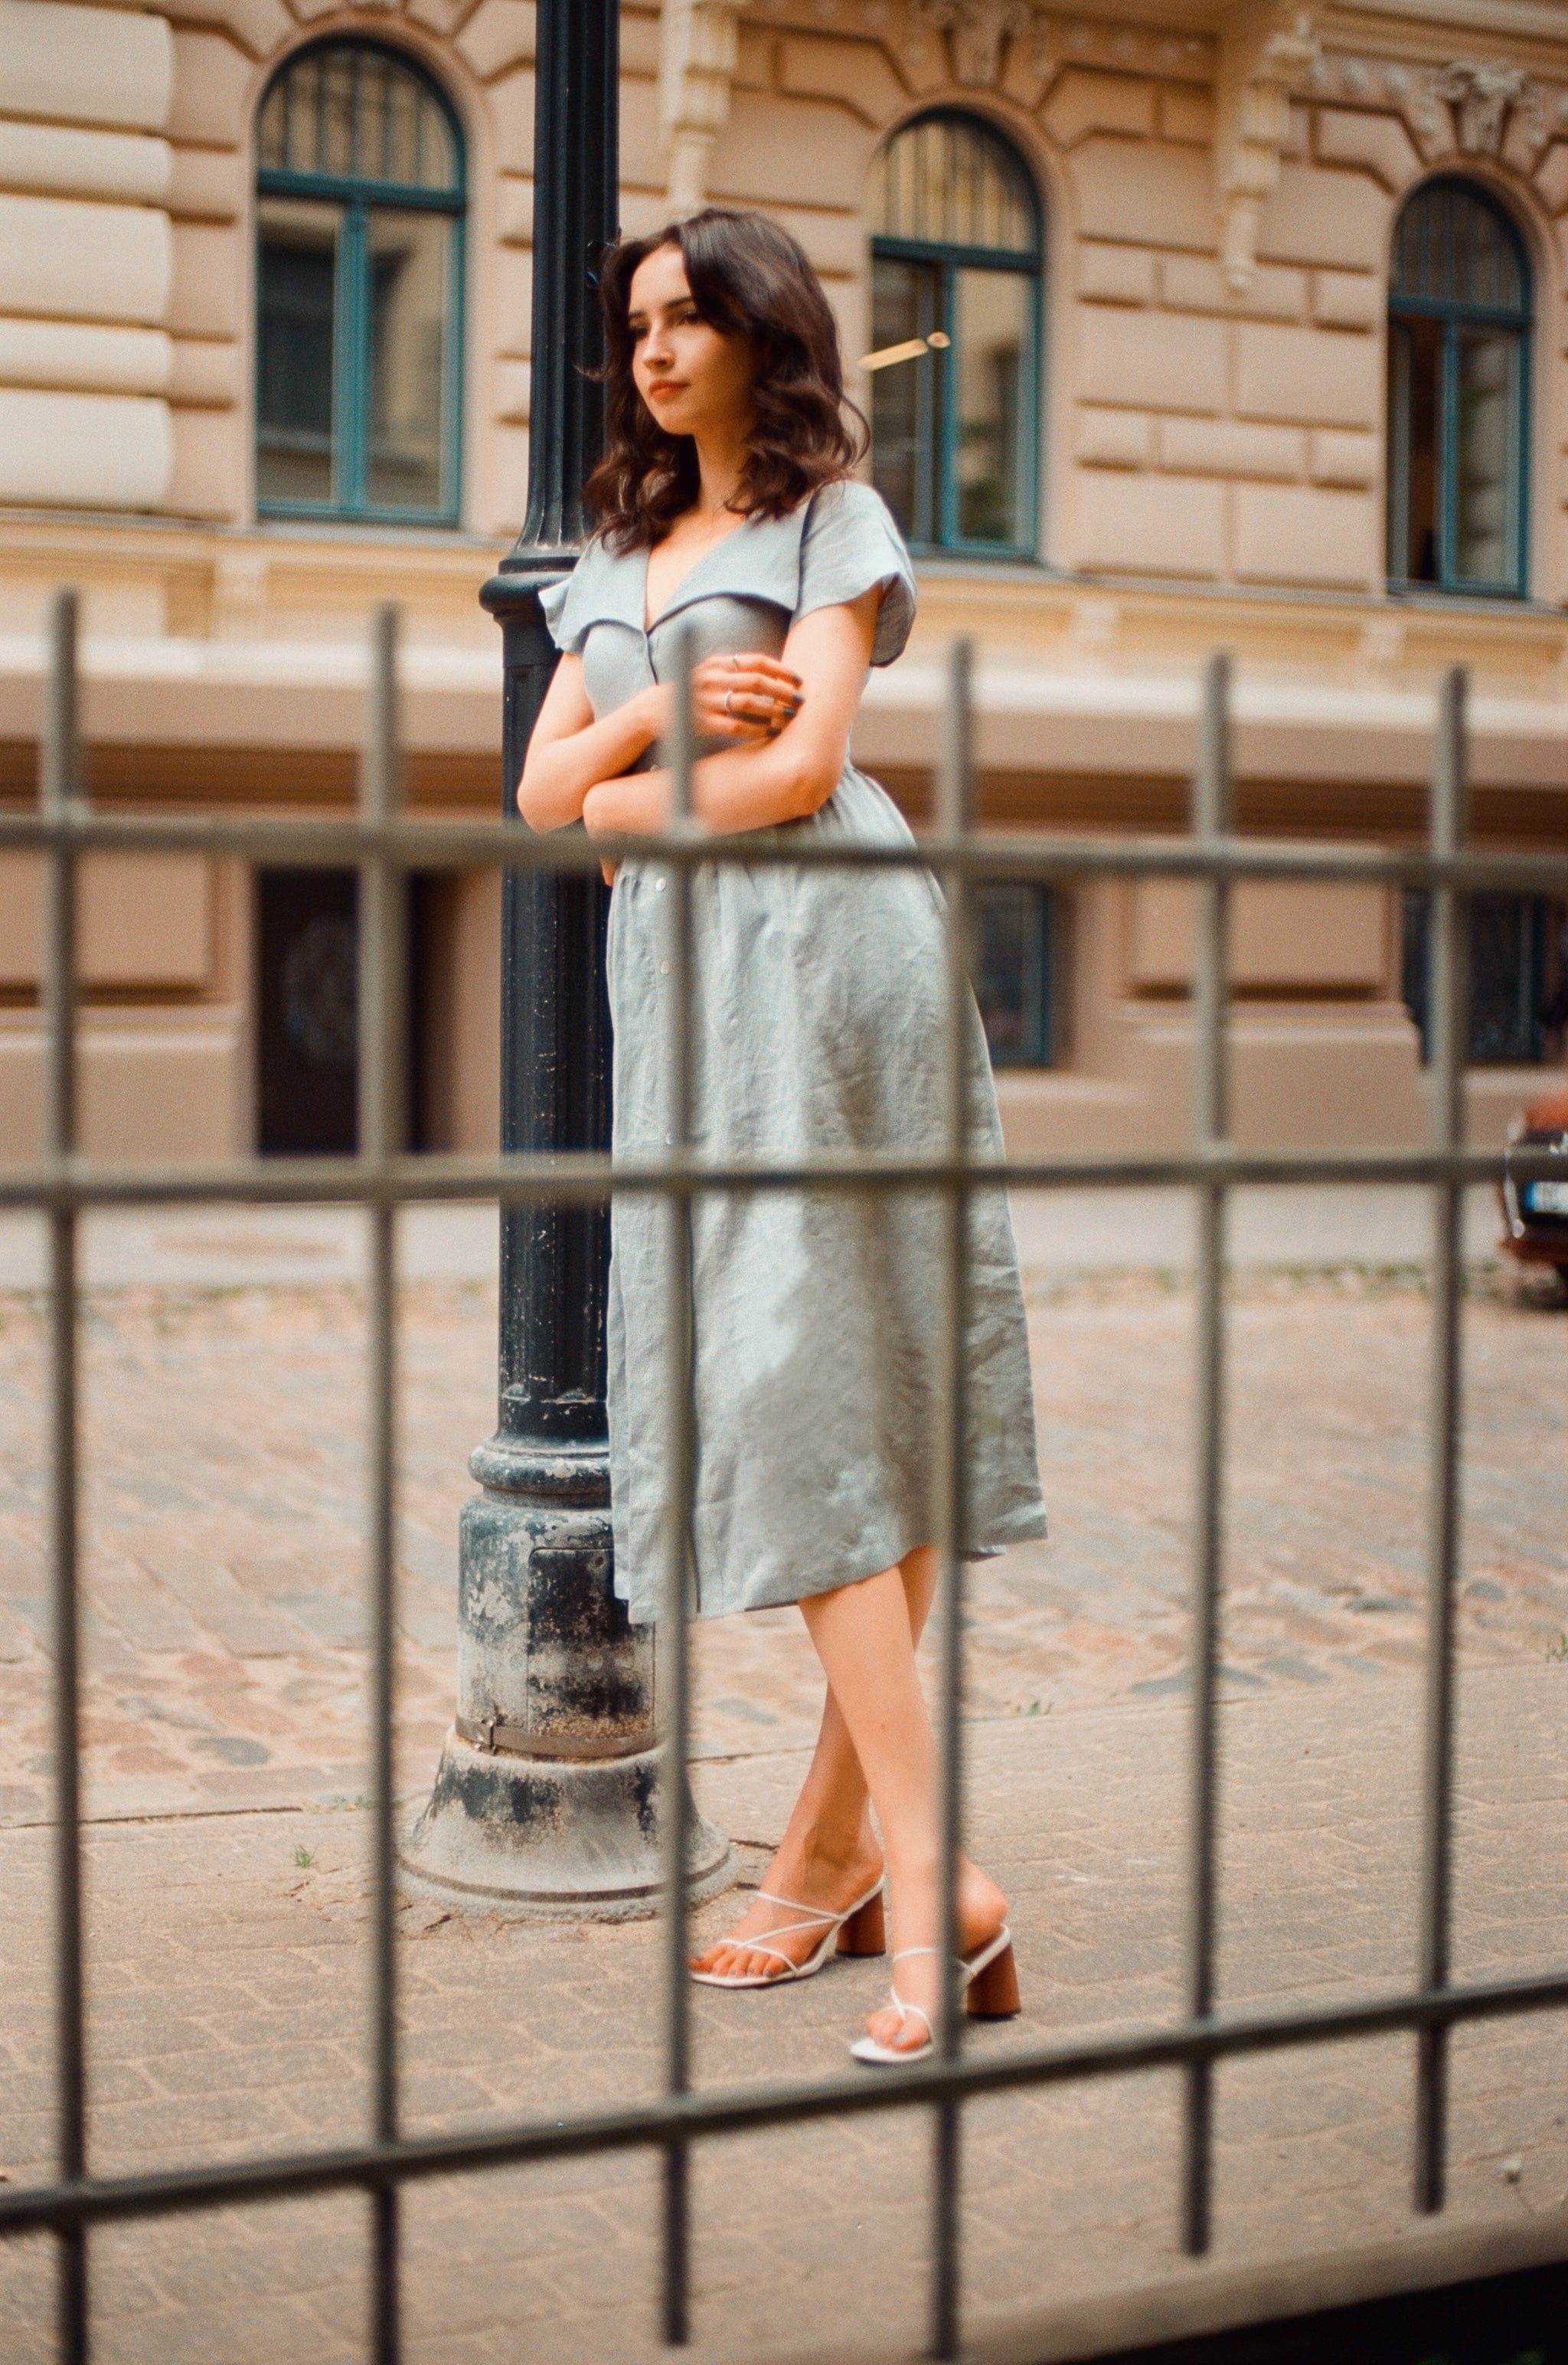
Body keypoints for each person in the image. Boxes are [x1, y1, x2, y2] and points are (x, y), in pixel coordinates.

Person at [518, 208, 1047, 2065]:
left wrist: (629, 798)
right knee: (802, 1370)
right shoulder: (604, 550)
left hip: (837, 952)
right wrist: (656, 713)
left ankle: (886, 1874)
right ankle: (909, 1879)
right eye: (637, 322)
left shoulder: (835, 520)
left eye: (690, 317)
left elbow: (809, 767)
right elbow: (538, 788)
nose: (655, 348)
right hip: (684, 989)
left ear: (762, 332)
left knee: (845, 1368)